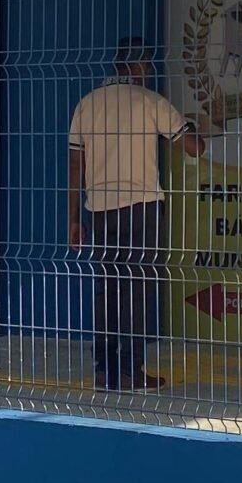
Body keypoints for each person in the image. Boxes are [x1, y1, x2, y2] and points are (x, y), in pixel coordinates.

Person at [68, 36, 205, 391]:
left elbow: (74, 166)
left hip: (99, 208)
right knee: (138, 289)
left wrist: (73, 217)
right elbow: (192, 149)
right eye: (148, 64)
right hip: (141, 208)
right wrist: (194, 128)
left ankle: (103, 367)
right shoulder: (151, 102)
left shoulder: (88, 103)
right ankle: (131, 370)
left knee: (107, 290)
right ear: (141, 66)